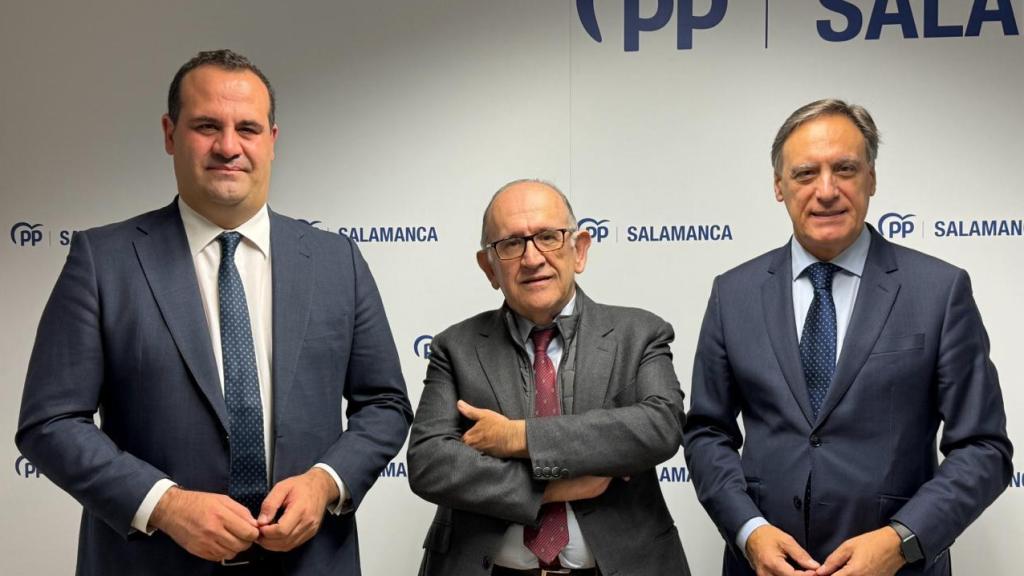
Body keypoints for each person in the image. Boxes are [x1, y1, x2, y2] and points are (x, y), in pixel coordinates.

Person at [15, 49, 412, 576]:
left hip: (310, 562)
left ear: (272, 141)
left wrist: (325, 482)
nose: (229, 146)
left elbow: (384, 403)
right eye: (207, 125)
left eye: (247, 128)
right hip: (150, 562)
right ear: (169, 134)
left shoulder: (338, 261)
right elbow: (50, 422)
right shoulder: (102, 261)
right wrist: (165, 505)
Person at [683, 99, 1012, 576]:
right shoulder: (733, 293)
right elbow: (707, 432)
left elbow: (984, 448)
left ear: (872, 179)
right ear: (779, 187)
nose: (827, 190)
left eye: (845, 169)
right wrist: (748, 530)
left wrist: (901, 541)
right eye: (804, 174)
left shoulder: (939, 291)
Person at [407, 179, 690, 576]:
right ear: (489, 267)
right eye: (511, 244)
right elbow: (430, 463)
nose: (533, 258)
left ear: (580, 249)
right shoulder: (455, 347)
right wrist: (553, 487)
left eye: (548, 237)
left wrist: (517, 438)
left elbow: (660, 427)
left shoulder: (639, 333)